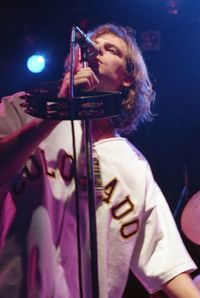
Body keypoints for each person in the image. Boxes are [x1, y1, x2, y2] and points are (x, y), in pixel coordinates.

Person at [0, 23, 199, 298]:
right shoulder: (23, 108)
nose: (96, 51)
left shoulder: (133, 165)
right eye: (90, 45)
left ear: (127, 77)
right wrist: (58, 110)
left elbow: (166, 262)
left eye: (110, 49)